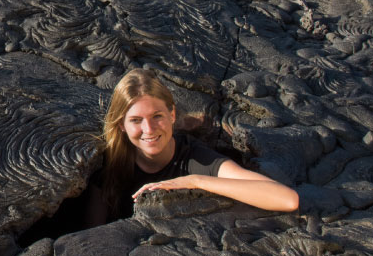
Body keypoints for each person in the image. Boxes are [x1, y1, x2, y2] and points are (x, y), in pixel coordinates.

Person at [84, 68, 299, 226]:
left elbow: (287, 199)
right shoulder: (109, 164)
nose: (148, 129)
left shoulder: (196, 158)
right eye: (136, 120)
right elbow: (92, 234)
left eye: (157, 116)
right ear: (121, 125)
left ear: (172, 114)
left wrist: (195, 181)